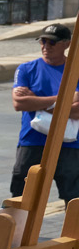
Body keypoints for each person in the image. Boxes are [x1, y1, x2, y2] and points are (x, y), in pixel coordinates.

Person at [9, 22, 79, 202]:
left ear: (67, 44)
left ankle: (71, 231)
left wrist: (35, 100)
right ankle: (19, 231)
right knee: (21, 196)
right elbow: (19, 103)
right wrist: (63, 100)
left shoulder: (75, 72)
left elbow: (77, 111)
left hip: (69, 143)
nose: (45, 46)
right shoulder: (25, 69)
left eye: (52, 42)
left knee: (72, 199)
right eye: (43, 42)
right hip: (32, 141)